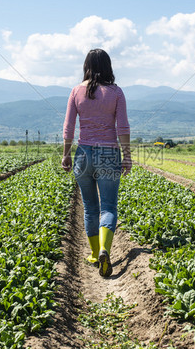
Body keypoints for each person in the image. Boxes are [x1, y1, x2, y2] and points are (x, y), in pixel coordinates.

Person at [62, 48, 132, 278]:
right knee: (108, 207)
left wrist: (66, 154)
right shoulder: (116, 93)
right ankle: (105, 248)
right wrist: (128, 155)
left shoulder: (76, 91)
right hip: (109, 154)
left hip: (83, 154)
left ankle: (94, 254)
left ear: (86, 66)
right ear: (108, 66)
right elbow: (122, 127)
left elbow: (69, 128)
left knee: (90, 207)